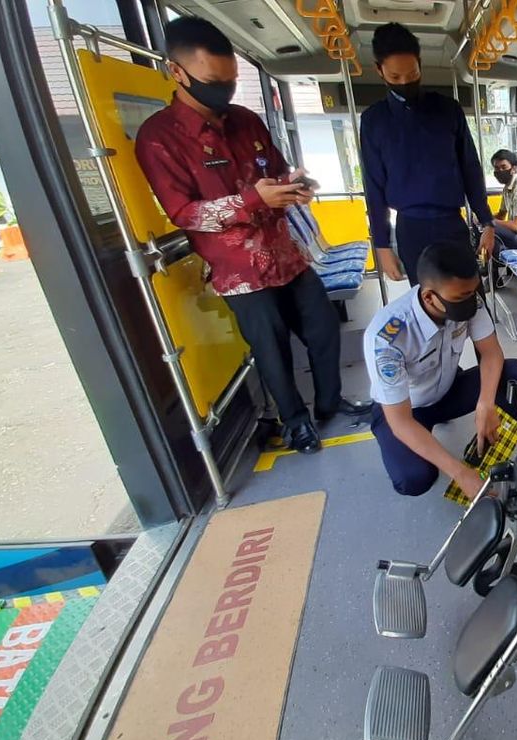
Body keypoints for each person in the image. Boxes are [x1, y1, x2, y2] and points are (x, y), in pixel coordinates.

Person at [135, 17, 371, 455]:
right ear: (177, 72)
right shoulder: (159, 138)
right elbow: (184, 213)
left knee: (322, 329)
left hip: (288, 256)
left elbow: (275, 171)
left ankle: (328, 403)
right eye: (212, 81)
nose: (222, 90)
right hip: (240, 271)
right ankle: (295, 421)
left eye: (229, 81)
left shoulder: (245, 120)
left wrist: (295, 185)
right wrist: (251, 201)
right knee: (272, 350)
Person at [365, 240, 517, 498]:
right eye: (461, 297)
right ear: (429, 296)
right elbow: (401, 421)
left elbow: (491, 353)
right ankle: (458, 468)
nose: (470, 301)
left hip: (447, 390)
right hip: (407, 409)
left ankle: (485, 452)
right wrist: (460, 474)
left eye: (473, 292)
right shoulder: (388, 337)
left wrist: (485, 403)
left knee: (516, 376)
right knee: (414, 478)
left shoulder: (467, 298)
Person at [360, 23, 495, 285]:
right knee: (427, 306)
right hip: (411, 228)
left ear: (420, 65)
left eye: (412, 74)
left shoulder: (448, 110)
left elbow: (471, 168)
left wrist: (487, 221)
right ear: (380, 71)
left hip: (451, 223)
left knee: (468, 299)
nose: (405, 82)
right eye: (395, 77)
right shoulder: (374, 121)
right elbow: (373, 186)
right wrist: (382, 245)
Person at [490, 149, 517, 251]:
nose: (500, 171)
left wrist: (491, 222)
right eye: (496, 168)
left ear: (513, 169)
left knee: (490, 228)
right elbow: (501, 215)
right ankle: (498, 260)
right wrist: (483, 217)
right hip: (516, 234)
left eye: (504, 167)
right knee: (484, 226)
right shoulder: (507, 187)